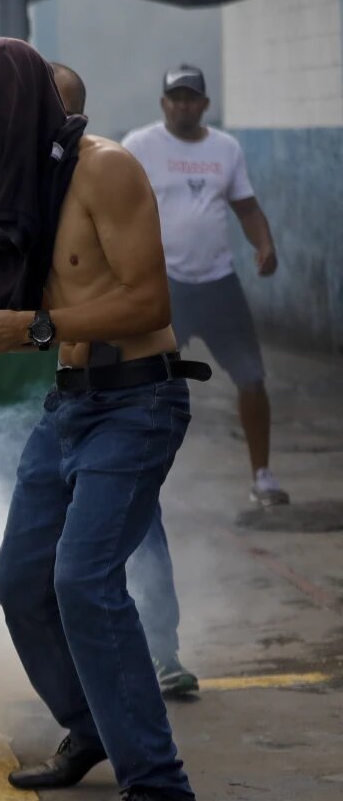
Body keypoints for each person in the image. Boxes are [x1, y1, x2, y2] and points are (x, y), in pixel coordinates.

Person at [0, 38, 199, 801]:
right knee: (20, 581)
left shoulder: (105, 169)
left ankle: (158, 786)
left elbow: (150, 305)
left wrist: (35, 325)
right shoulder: (23, 184)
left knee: (84, 582)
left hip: (137, 402)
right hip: (69, 406)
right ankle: (89, 726)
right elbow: (21, 311)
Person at [122, 66, 287, 507]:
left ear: (205, 105)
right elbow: (113, 204)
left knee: (252, 378)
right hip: (164, 284)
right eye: (175, 97)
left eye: (191, 98)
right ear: (163, 103)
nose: (183, 105)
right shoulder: (139, 145)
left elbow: (247, 208)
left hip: (218, 283)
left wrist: (265, 245)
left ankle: (263, 476)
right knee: (141, 380)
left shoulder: (225, 149)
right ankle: (136, 476)